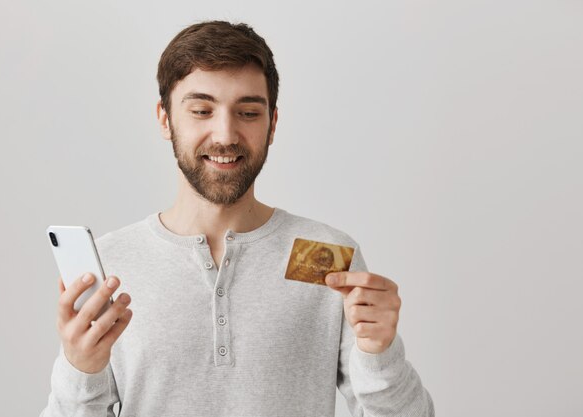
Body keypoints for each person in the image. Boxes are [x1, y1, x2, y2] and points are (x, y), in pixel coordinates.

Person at [40, 20, 434, 417]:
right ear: (165, 119)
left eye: (247, 112)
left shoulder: (326, 257)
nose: (225, 134)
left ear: (272, 124)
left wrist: (381, 355)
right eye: (201, 110)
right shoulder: (110, 263)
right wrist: (80, 371)